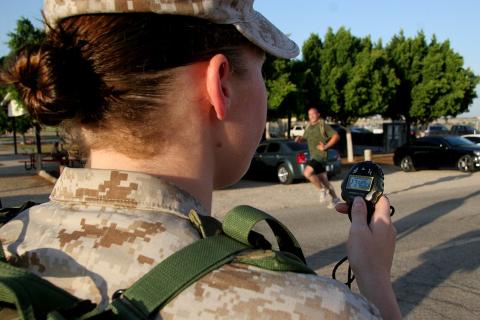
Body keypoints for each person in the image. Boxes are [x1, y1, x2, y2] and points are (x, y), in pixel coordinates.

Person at [0, 0, 401, 319]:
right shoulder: (310, 309)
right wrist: (375, 285)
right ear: (221, 84)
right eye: (263, 72)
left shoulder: (10, 239)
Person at [296, 107, 342, 208]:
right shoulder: (309, 126)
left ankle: (322, 190)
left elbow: (336, 136)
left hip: (320, 156)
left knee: (307, 173)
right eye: (309, 114)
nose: (311, 116)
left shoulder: (323, 125)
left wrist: (325, 146)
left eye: (313, 114)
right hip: (314, 156)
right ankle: (335, 199)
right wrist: (300, 139)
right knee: (324, 180)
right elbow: (305, 138)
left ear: (318, 114)